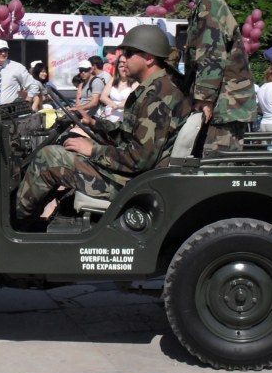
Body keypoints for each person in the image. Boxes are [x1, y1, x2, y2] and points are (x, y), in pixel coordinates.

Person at [14, 25, 190, 229]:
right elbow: (129, 134)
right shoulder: (157, 88)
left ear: (149, 58)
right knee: (66, 145)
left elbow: (139, 159)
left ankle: (17, 225)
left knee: (48, 158)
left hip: (132, 183)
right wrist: (94, 123)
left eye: (129, 53)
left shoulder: (156, 97)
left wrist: (93, 150)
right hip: (134, 176)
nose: (122, 58)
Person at [173, 0, 257, 153]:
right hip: (223, 104)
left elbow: (212, 55)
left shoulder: (209, 5)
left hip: (224, 107)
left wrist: (204, 98)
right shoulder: (207, 2)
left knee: (216, 168)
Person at [0, 40, 39, 105]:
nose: (3, 53)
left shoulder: (17, 67)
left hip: (10, 109)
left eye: (5, 50)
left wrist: (27, 102)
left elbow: (34, 85)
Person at [99, 55, 138, 122]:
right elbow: (103, 97)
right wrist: (113, 105)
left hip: (125, 117)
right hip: (109, 115)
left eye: (126, 67)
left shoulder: (135, 83)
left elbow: (129, 101)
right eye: (121, 67)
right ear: (117, 69)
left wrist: (117, 107)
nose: (123, 69)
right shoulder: (113, 79)